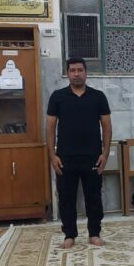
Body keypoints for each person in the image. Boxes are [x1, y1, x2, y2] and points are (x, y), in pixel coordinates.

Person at [46, 58, 112, 249]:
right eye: (73, 70)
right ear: (68, 73)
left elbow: (107, 126)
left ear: (86, 72)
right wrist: (52, 156)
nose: (76, 74)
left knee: (94, 197)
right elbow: (50, 127)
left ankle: (94, 233)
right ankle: (69, 235)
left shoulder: (98, 97)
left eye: (80, 70)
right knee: (66, 198)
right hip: (65, 158)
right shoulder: (58, 96)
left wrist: (105, 154)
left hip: (93, 157)